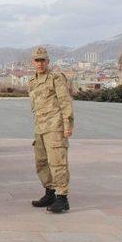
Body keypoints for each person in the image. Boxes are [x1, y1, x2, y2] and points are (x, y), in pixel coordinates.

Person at [28, 46, 74, 213]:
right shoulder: (31, 82)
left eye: (43, 60)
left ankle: (62, 198)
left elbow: (65, 102)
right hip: (40, 128)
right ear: (32, 62)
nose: (40, 63)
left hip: (55, 128)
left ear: (48, 61)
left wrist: (67, 125)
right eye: (37, 60)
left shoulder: (56, 78)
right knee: (41, 163)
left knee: (57, 163)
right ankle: (50, 192)